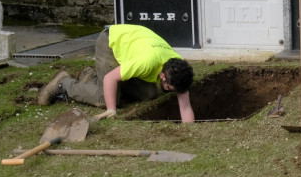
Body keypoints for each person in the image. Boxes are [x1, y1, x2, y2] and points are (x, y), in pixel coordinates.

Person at [37, 24, 195, 123]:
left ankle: (91, 77)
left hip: (132, 46)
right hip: (110, 43)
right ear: (162, 76)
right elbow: (110, 78)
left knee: (148, 94)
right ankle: (64, 82)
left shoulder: (177, 68)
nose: (171, 91)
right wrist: (111, 109)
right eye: (170, 87)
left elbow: (185, 105)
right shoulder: (146, 63)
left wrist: (189, 132)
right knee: (104, 99)